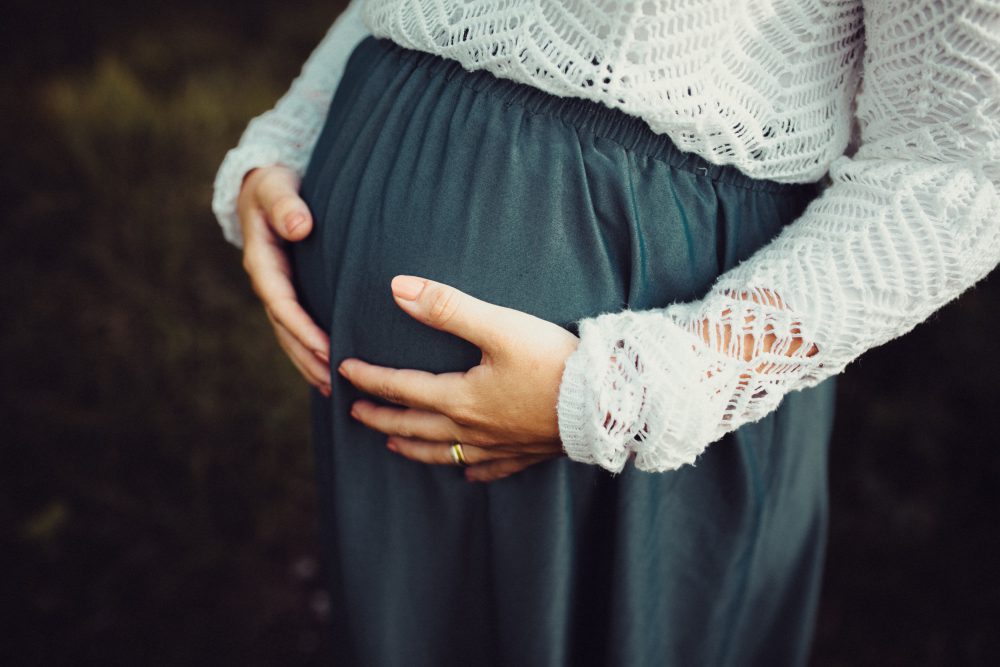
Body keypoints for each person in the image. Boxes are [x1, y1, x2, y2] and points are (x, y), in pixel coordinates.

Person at [213, 1, 1000, 664]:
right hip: (380, 421)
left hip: (656, 359)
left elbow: (957, 171)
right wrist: (290, 135)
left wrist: (629, 390)